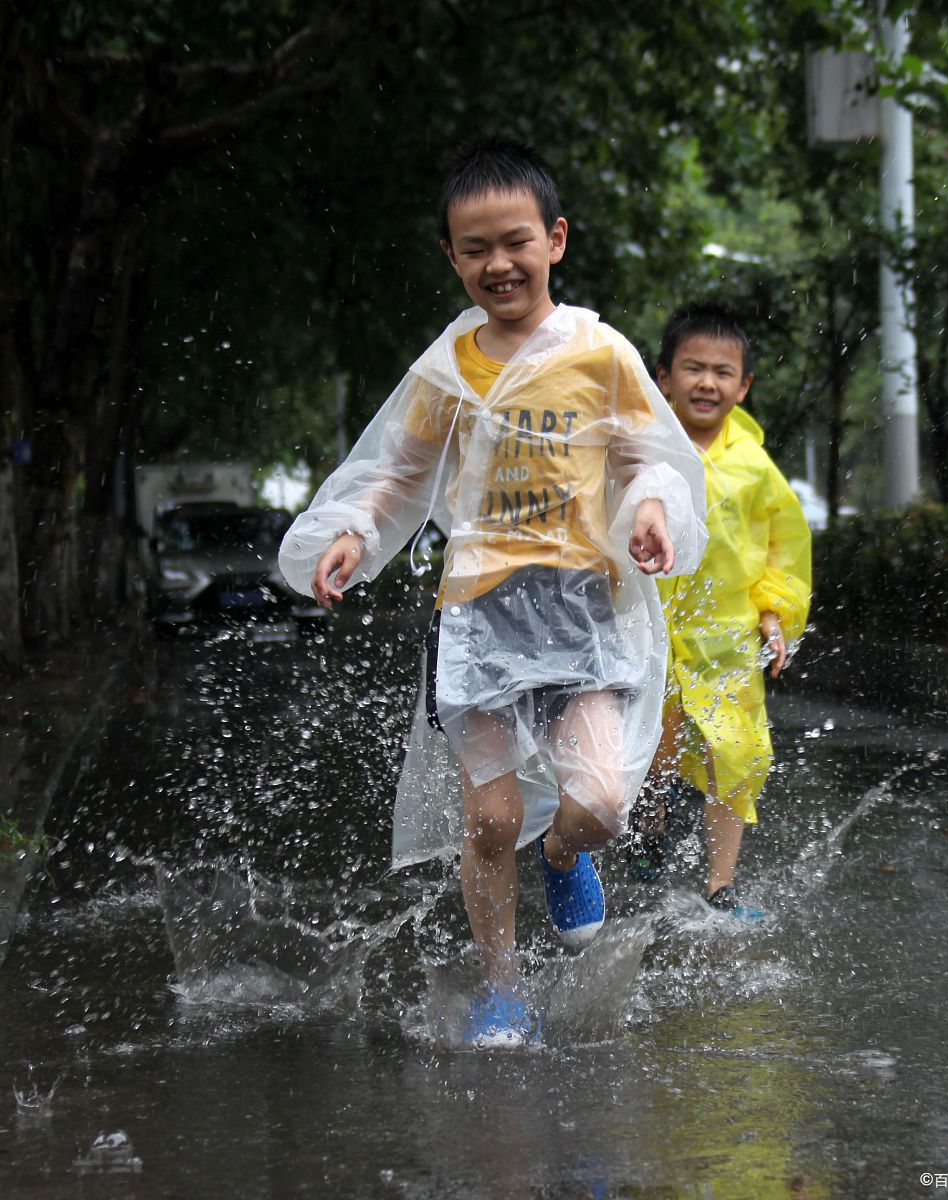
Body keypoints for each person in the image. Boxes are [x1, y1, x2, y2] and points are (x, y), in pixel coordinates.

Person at [278, 137, 706, 1047]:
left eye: (514, 241)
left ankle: (561, 856)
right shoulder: (449, 367)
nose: (497, 263)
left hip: (583, 611)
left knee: (599, 801)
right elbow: (396, 472)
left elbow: (648, 458)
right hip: (476, 615)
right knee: (489, 816)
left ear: (554, 239)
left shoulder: (600, 353)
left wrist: (653, 513)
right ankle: (502, 988)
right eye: (474, 249)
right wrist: (353, 532)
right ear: (451, 257)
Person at [628, 301, 812, 916]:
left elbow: (783, 550)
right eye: (692, 368)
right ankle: (650, 827)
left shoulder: (756, 469)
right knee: (654, 745)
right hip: (649, 630)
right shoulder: (643, 452)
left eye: (722, 371)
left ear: (744, 384)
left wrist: (775, 614)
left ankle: (720, 883)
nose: (707, 382)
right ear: (663, 377)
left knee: (737, 751)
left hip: (725, 636)